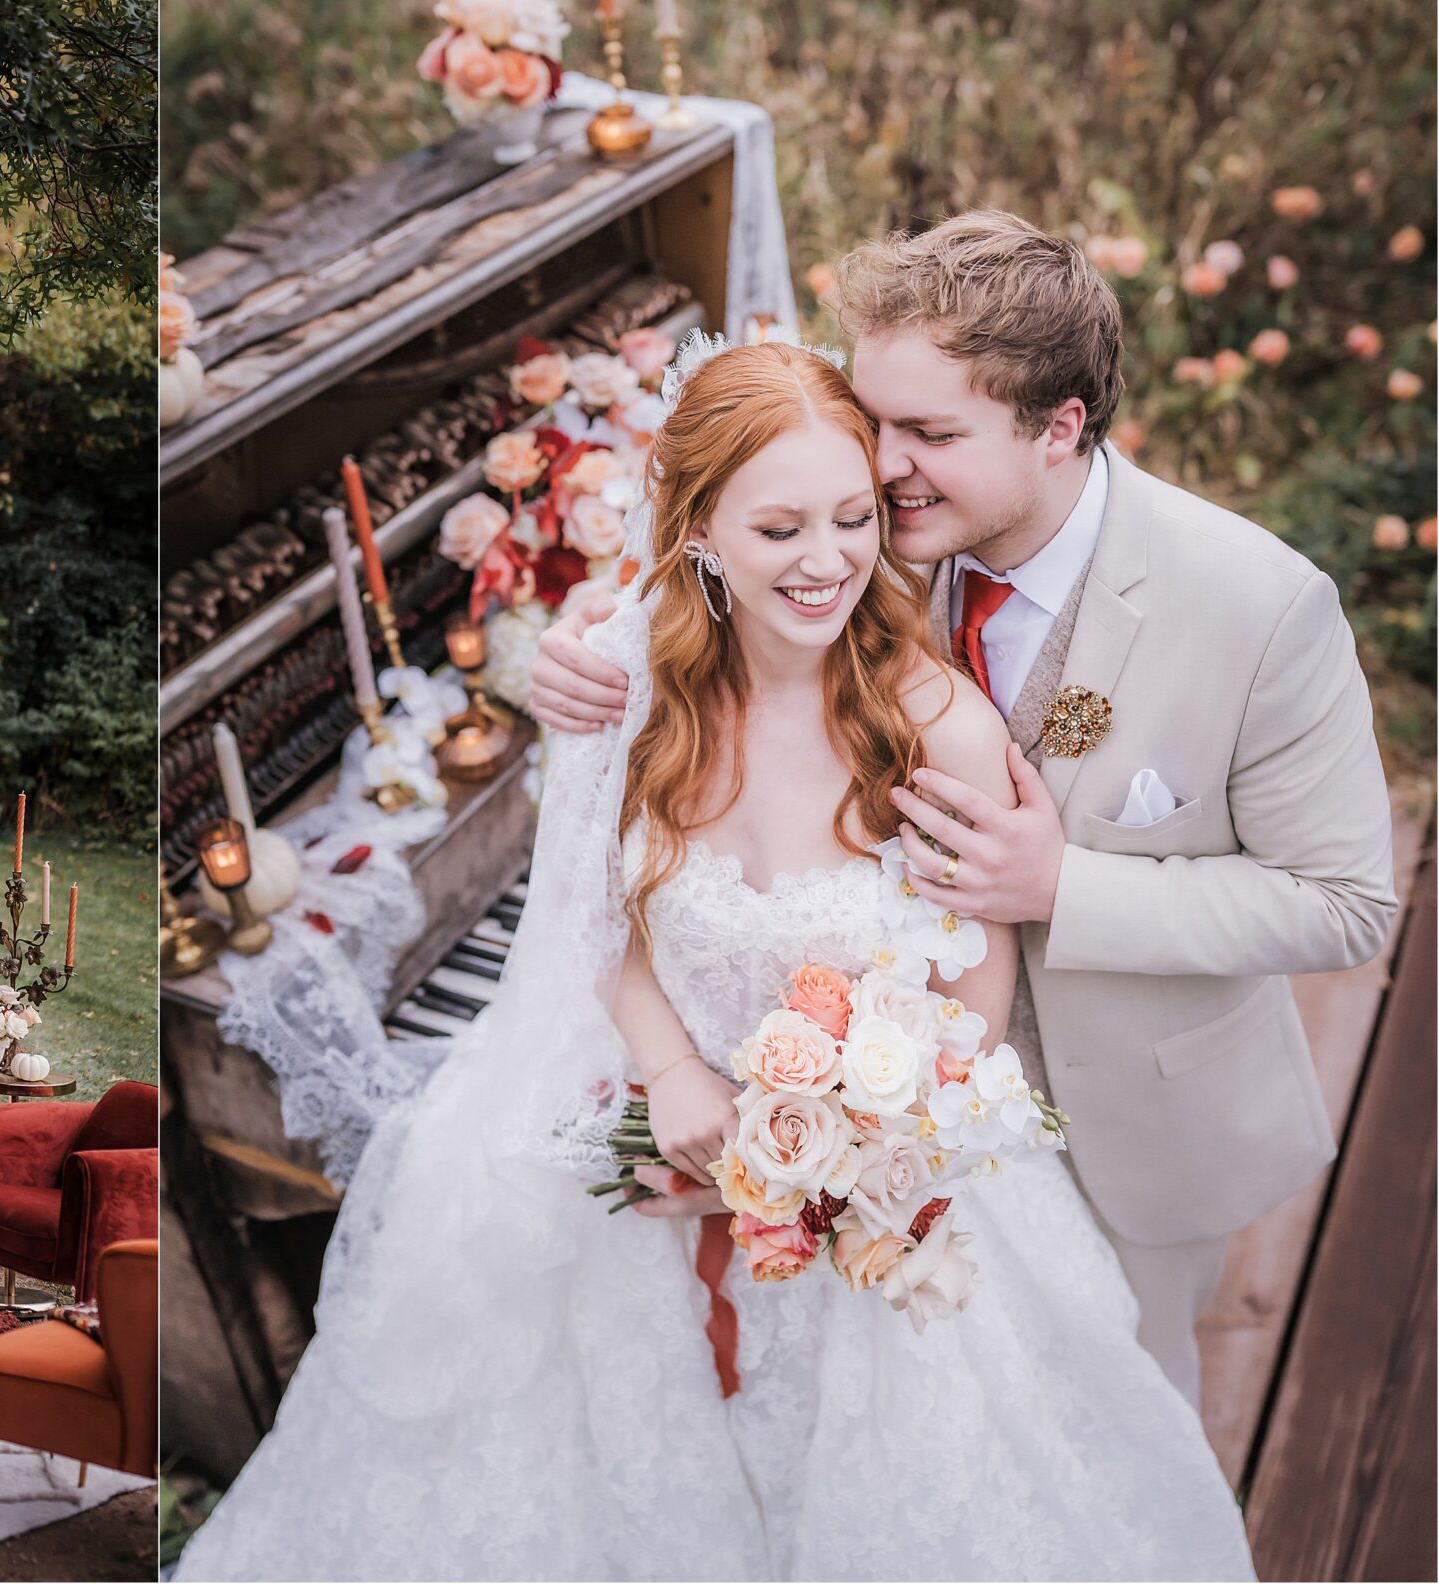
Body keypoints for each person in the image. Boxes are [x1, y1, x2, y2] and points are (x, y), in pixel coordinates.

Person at [175, 341, 1252, 1581]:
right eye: (781, 526)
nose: (827, 560)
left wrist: (798, 1175)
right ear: (695, 530)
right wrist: (672, 1070)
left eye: (853, 518)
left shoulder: (936, 727)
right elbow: (594, 914)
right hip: (648, 1119)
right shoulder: (621, 694)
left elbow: (969, 1006)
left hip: (875, 1171)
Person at [530, 212, 1397, 1400]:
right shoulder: (855, 543)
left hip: (1133, 1123)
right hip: (847, 1114)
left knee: (1125, 1408)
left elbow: (1343, 907)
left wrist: (1058, 888)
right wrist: (576, 655)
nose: (880, 467)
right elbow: (718, 558)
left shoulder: (1259, 607)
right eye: (872, 419)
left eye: (929, 433)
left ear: (1058, 428)